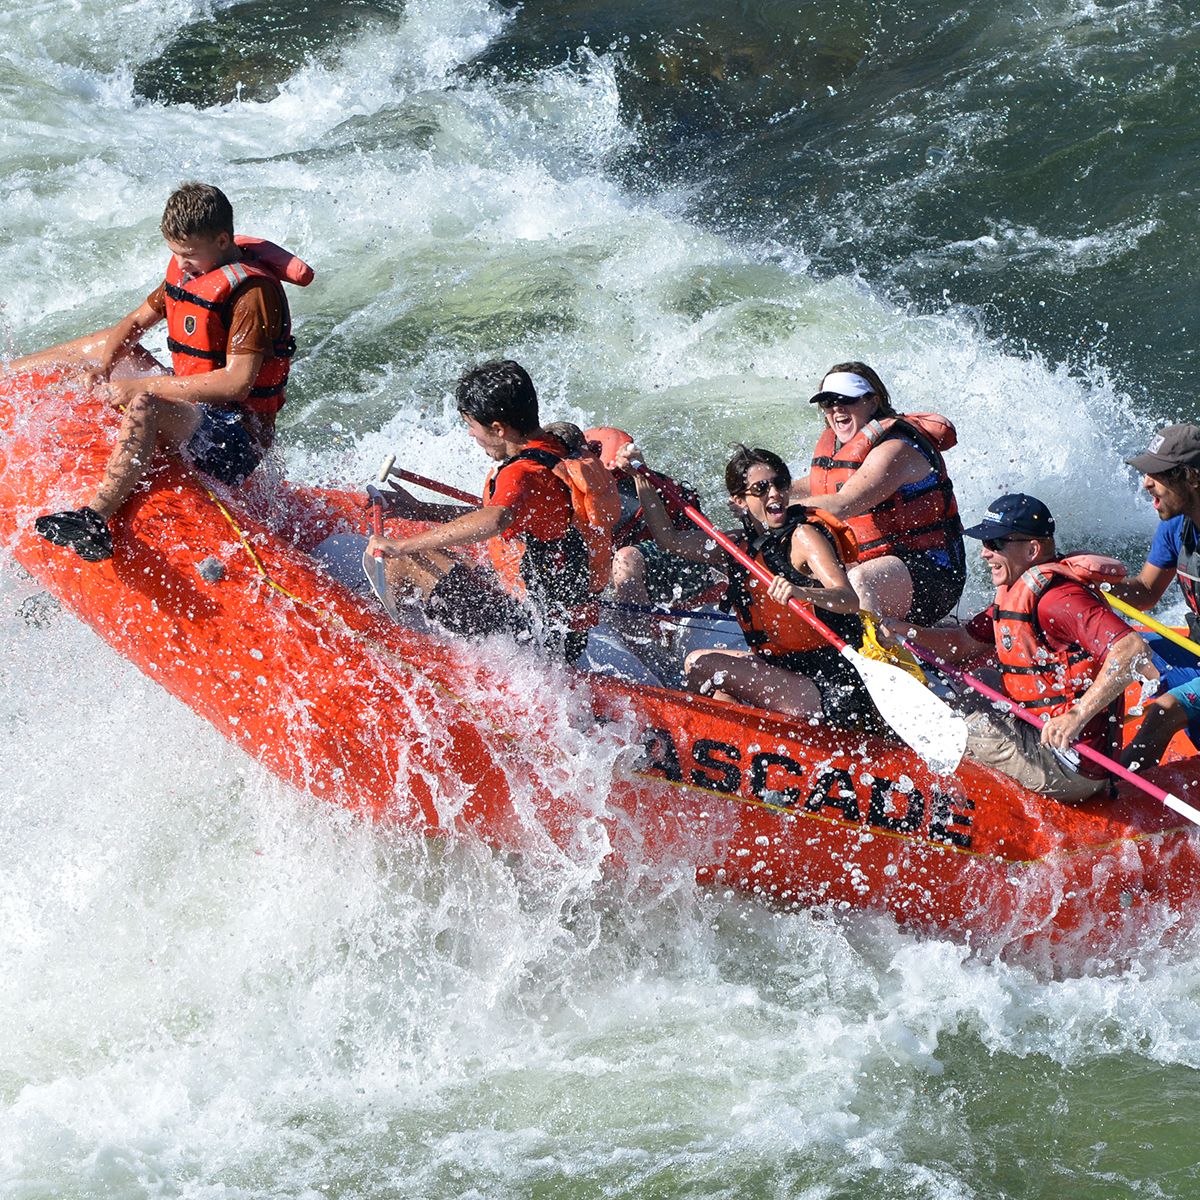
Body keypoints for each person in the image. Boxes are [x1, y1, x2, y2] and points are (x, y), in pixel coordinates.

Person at [18, 182, 310, 562]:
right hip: (199, 409)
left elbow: (237, 383)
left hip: (236, 438)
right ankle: (8, 377)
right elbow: (137, 321)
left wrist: (143, 385)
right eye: (176, 253)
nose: (182, 265)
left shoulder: (251, 296)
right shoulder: (193, 269)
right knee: (107, 344)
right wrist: (105, 367)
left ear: (223, 240)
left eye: (188, 255)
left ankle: (93, 520)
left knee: (145, 404)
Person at [880, 494, 1158, 801]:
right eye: (984, 544)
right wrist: (908, 632)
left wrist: (1076, 716)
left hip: (1068, 764)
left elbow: (1133, 650)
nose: (985, 554)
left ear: (1032, 549)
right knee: (982, 680)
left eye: (995, 544)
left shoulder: (1059, 600)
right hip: (1043, 740)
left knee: (947, 721)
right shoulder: (1019, 589)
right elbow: (961, 644)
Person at [615, 442, 873, 725]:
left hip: (830, 684)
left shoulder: (804, 537)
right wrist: (641, 477)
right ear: (739, 501)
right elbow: (669, 538)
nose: (774, 494)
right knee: (719, 693)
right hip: (786, 672)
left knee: (700, 664)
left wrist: (803, 592)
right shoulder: (737, 546)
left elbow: (849, 599)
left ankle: (674, 734)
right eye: (761, 489)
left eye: (780, 484)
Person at [366, 360, 592, 663]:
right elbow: (499, 511)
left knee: (408, 558)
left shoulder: (521, 472)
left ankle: (372, 642)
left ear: (498, 429)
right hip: (562, 632)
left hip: (537, 639)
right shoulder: (553, 449)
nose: (472, 435)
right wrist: (422, 510)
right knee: (442, 557)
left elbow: (496, 518)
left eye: (472, 426)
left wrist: (399, 545)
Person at [793, 362, 965, 623]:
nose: (836, 409)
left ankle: (876, 654)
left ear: (873, 402)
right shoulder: (843, 448)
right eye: (828, 402)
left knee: (861, 579)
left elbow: (844, 503)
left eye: (845, 399)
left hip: (934, 575)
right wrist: (765, 493)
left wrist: (776, 510)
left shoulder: (897, 449)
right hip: (880, 568)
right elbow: (819, 484)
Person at [585, 425, 725, 683]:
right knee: (614, 600)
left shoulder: (645, 489)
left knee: (625, 561)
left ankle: (659, 672)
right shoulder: (579, 492)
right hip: (647, 586)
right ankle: (648, 658)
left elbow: (677, 542)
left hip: (691, 584)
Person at [1104, 425, 1200, 762]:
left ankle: (1122, 790)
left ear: (1191, 477)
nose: (1146, 483)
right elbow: (1145, 592)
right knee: (1116, 649)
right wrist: (1092, 584)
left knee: (1164, 712)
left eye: (1156, 474)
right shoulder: (1176, 525)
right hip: (1197, 650)